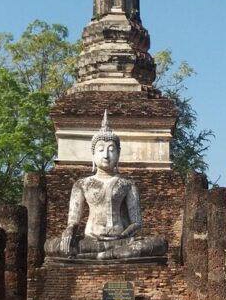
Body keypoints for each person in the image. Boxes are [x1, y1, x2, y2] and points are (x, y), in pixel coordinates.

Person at [46, 111, 167, 261]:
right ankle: (104, 255)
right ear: (93, 154)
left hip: (120, 240)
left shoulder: (127, 184)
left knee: (157, 244)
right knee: (52, 246)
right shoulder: (82, 184)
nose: (106, 155)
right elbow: (73, 220)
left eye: (111, 149)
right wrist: (69, 230)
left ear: (118, 154)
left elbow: (136, 223)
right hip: (90, 240)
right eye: (101, 150)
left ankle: (99, 256)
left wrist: (122, 236)